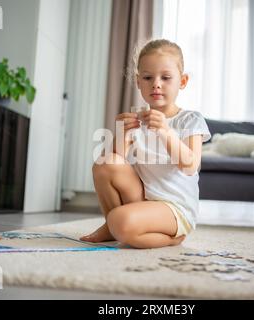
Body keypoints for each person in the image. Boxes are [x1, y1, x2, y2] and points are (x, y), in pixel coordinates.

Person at [80, 39, 211, 249]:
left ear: (183, 81)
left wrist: (165, 131)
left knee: (121, 223)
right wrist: (122, 132)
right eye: (148, 77)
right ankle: (112, 224)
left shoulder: (190, 120)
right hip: (142, 200)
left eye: (166, 78)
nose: (156, 84)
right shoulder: (138, 118)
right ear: (138, 81)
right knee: (104, 163)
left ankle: (171, 237)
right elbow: (113, 164)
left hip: (174, 207)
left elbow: (190, 166)